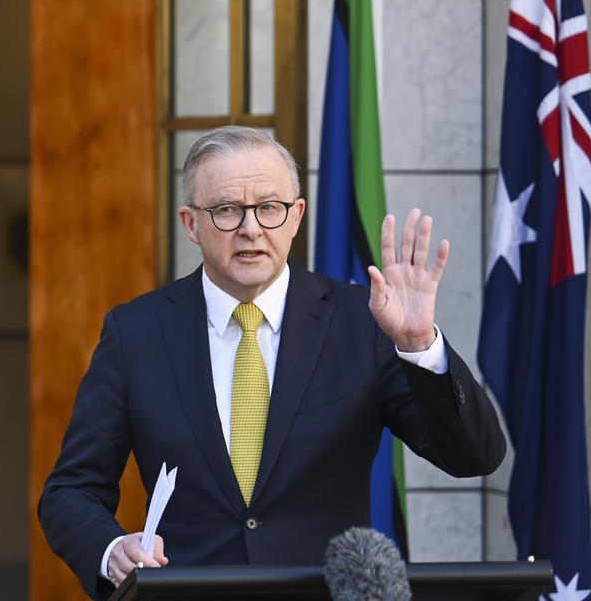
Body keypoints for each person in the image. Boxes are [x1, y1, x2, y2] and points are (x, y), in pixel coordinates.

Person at [37, 126, 505, 599]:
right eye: (225, 210)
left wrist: (420, 343)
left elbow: (473, 456)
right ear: (190, 223)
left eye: (269, 207)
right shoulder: (135, 332)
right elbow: (71, 490)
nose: (251, 228)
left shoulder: (362, 323)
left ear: (297, 215)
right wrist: (111, 547)